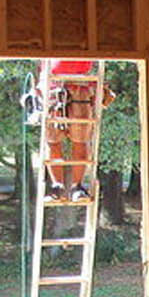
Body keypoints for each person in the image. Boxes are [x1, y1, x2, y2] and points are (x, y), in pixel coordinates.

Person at [39, 60, 114, 202]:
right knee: (53, 139)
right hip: (53, 84)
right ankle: (57, 187)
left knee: (81, 139)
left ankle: (77, 187)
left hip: (81, 85)